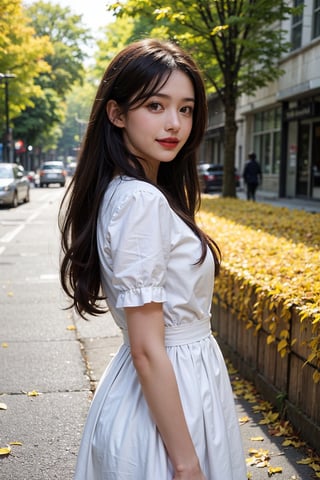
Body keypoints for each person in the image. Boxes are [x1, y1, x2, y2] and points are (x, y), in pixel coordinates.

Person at [59, 38, 247, 480]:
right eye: (156, 105)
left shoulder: (131, 192)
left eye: (185, 109)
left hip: (171, 391)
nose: (174, 124)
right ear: (117, 114)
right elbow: (146, 346)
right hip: (169, 401)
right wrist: (185, 463)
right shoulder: (140, 201)